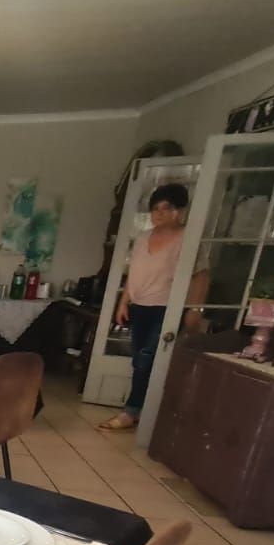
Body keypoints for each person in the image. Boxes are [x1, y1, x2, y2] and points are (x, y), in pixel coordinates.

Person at [99, 182, 189, 431]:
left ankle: (131, 411)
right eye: (155, 209)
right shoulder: (143, 238)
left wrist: (194, 310)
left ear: (179, 211)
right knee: (139, 359)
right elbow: (134, 273)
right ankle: (141, 409)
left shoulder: (187, 240)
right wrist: (123, 302)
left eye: (165, 208)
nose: (159, 214)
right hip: (140, 305)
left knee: (147, 359)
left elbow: (200, 276)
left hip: (166, 307)